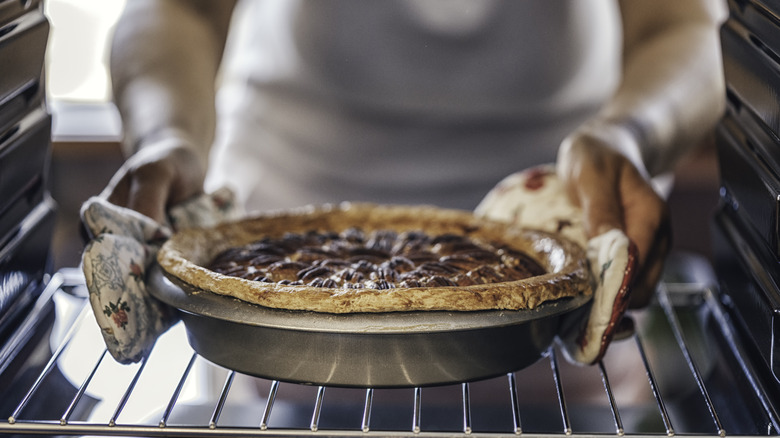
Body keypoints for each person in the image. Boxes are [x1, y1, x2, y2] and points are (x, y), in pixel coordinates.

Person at [101, 0, 726, 310]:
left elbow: (680, 23)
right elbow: (176, 9)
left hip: (556, 237)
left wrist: (628, 134)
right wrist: (169, 135)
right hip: (274, 243)